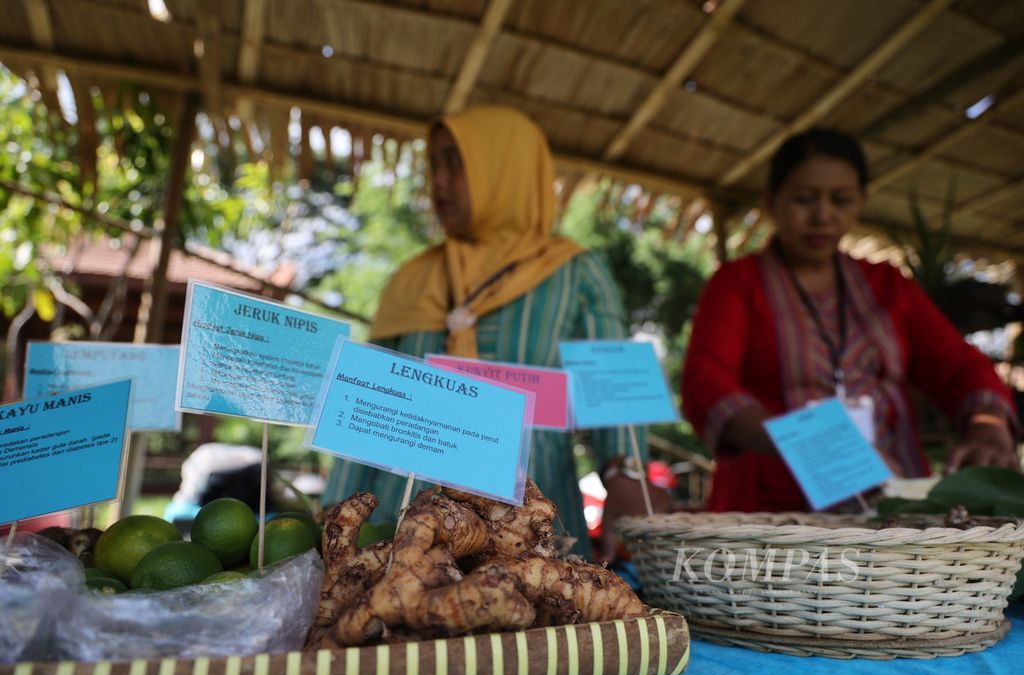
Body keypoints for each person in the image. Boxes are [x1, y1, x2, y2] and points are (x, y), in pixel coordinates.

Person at [323, 105, 667, 559]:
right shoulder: (412, 279)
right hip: (402, 528)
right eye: (435, 163)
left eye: (456, 162)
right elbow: (368, 408)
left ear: (508, 169)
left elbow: (613, 391)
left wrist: (626, 476)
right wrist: (333, 516)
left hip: (536, 532)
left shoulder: (576, 274)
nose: (438, 180)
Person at [682, 128, 1019, 512]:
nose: (823, 215)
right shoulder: (738, 282)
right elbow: (705, 381)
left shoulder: (888, 286)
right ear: (772, 201)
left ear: (861, 202)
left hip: (895, 499)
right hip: (772, 508)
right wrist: (801, 442)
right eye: (804, 199)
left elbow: (958, 365)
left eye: (841, 200)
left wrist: (987, 422)